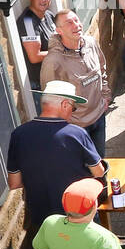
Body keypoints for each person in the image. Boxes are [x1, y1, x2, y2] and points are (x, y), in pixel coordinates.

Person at [6, 81, 106, 249]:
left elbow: (14, 183)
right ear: (63, 104)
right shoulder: (76, 134)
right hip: (79, 210)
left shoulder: (19, 135)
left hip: (43, 215)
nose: (73, 112)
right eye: (73, 107)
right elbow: (97, 171)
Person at [40, 9, 111, 157]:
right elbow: (50, 99)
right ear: (59, 31)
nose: (76, 25)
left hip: (99, 116)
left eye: (77, 20)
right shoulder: (53, 61)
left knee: (100, 160)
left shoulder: (91, 43)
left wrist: (105, 95)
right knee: (84, 168)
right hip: (76, 126)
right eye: (69, 23)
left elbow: (102, 68)